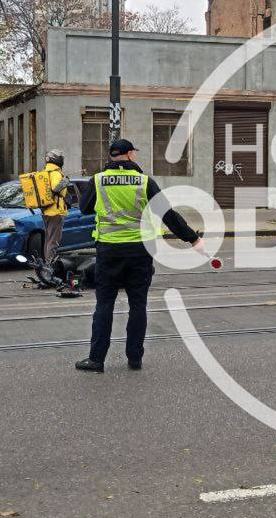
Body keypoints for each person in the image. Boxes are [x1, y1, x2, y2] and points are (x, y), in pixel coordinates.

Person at [74, 139, 204, 373]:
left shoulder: (98, 180)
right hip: (139, 252)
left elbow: (84, 208)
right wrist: (192, 238)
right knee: (138, 304)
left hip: (109, 250)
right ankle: (134, 358)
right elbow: (167, 214)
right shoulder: (145, 182)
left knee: (104, 304)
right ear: (130, 155)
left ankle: (96, 359)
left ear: (112, 156)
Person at [40, 149, 71, 264]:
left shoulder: (44, 173)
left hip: (46, 210)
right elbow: (56, 188)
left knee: (48, 240)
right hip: (56, 211)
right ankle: (49, 265)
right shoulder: (56, 173)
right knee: (54, 241)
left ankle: (45, 264)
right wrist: (66, 181)